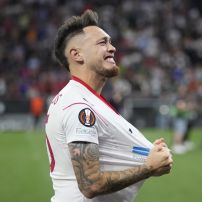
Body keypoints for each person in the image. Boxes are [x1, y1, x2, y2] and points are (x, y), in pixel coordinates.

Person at [45, 10, 173, 202]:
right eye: (102, 42)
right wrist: (148, 167)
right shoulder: (79, 107)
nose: (112, 48)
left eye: (110, 42)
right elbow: (90, 184)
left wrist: (145, 152)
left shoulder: (84, 99)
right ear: (77, 54)